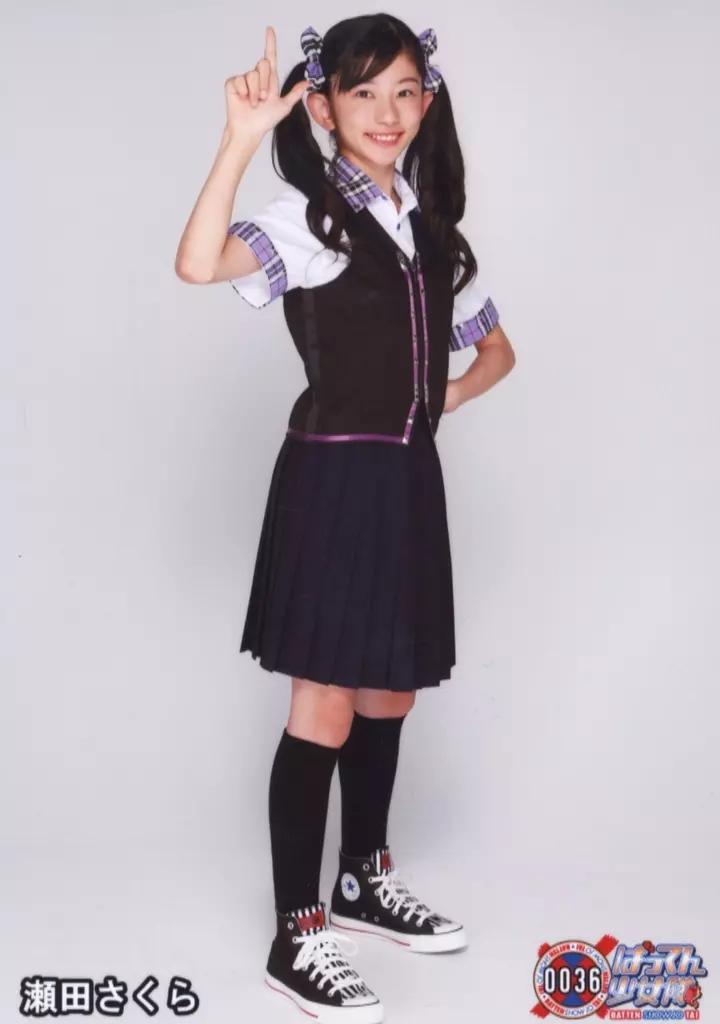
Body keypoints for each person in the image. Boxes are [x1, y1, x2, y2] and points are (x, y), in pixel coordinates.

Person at [175, 15, 515, 1023]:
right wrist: (239, 142)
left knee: (390, 692)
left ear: (428, 100)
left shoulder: (436, 229)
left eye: (404, 90)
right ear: (323, 107)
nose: (386, 111)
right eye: (361, 92)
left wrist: (436, 399)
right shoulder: (307, 219)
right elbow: (196, 263)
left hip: (407, 479)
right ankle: (297, 932)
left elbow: (496, 352)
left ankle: (365, 877)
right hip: (330, 480)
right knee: (321, 706)